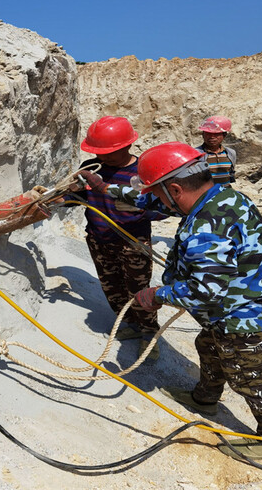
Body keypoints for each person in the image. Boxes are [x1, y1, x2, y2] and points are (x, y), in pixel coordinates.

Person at [78, 142, 262, 459]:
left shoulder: (206, 227)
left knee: (251, 378)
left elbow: (206, 289)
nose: (156, 201)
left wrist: (156, 294)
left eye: (160, 194)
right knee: (208, 346)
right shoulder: (217, 195)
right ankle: (205, 397)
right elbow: (153, 201)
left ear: (176, 189)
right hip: (234, 307)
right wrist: (107, 189)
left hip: (245, 316)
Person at [72, 116, 166, 361]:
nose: (102, 157)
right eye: (98, 152)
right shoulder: (92, 169)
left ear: (126, 146)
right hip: (99, 239)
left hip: (133, 242)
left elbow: (164, 208)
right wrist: (66, 194)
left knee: (139, 289)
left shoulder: (143, 173)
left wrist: (143, 211)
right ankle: (128, 323)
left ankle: (148, 331)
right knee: (111, 285)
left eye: (108, 153)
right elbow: (78, 198)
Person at [196, 115, 236, 187]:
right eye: (208, 133)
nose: (212, 137)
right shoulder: (196, 154)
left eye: (216, 134)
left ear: (224, 135)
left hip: (226, 193)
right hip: (207, 196)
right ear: (203, 134)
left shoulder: (230, 153)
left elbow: (230, 173)